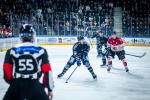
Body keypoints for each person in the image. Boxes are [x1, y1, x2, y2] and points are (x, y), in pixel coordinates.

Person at [3, 24, 54, 100]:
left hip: (17, 85)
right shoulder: (41, 50)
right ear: (33, 36)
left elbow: (7, 71)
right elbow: (47, 71)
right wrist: (49, 89)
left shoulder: (11, 51)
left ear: (21, 36)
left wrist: (14, 84)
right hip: (35, 85)